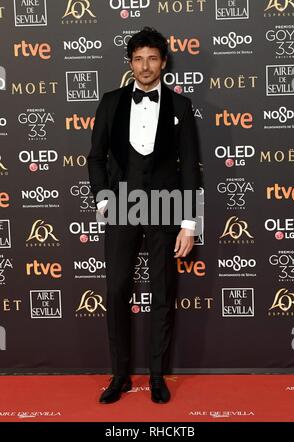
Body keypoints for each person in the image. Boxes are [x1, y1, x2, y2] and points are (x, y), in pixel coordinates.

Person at [87, 27, 201, 404]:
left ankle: (156, 376)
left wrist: (189, 222)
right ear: (130, 63)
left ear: (163, 62)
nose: (145, 66)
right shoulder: (110, 102)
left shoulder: (180, 107)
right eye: (138, 59)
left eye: (152, 58)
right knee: (117, 290)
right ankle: (119, 375)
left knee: (162, 292)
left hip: (166, 207)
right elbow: (96, 158)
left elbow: (190, 170)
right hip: (120, 206)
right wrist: (104, 203)